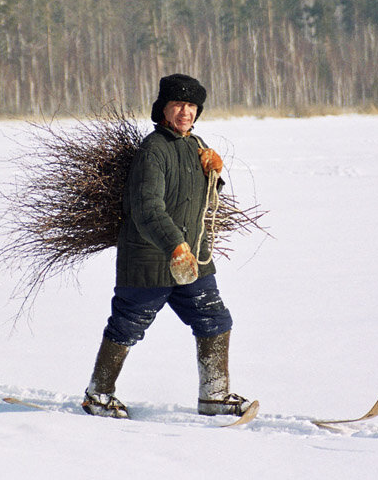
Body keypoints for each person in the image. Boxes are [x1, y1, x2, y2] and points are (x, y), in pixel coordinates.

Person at [82, 73, 252, 419]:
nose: (185, 112)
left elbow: (199, 200)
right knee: (128, 324)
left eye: (192, 105)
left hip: (192, 260)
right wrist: (175, 245)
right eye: (178, 104)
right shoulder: (153, 150)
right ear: (163, 109)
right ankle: (98, 395)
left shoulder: (195, 144)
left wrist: (214, 176)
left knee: (215, 318)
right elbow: (147, 208)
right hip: (150, 260)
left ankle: (215, 396)